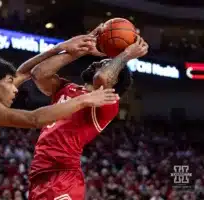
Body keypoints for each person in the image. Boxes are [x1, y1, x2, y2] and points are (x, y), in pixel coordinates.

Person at [0, 43, 119, 199]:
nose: (16, 88)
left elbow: (24, 73)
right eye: (9, 82)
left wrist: (64, 48)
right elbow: (34, 119)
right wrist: (84, 100)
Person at [28, 25, 149, 199]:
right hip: (40, 171)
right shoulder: (66, 87)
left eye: (106, 63)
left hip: (63, 175)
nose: (97, 62)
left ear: (114, 82)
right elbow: (38, 73)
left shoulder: (108, 101)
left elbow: (101, 78)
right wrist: (79, 51)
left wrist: (126, 55)